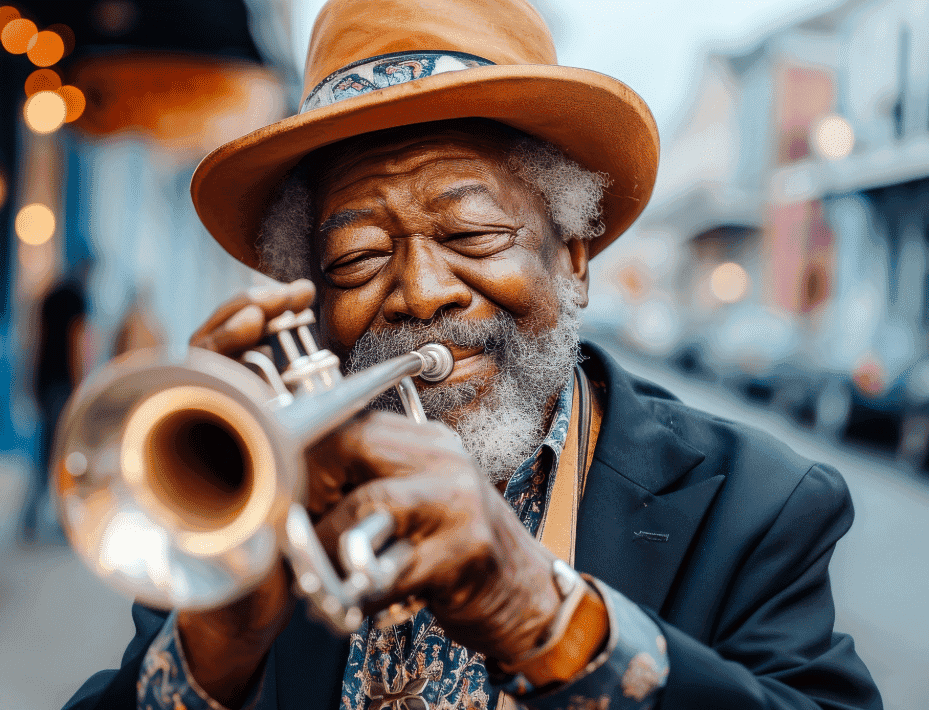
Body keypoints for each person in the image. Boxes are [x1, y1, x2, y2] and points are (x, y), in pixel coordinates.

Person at [64, 1, 882, 708]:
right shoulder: (255, 503)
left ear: (572, 259)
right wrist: (216, 640)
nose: (420, 292)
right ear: (310, 296)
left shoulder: (757, 503)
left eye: (473, 235)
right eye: (354, 259)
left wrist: (538, 613)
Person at [21, 264, 90, 543]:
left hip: (45, 382)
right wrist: (80, 386)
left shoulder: (48, 296)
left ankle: (29, 521)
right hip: (64, 386)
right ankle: (64, 524)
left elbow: (33, 341)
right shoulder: (79, 300)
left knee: (43, 454)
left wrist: (29, 380)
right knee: (64, 454)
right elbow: (77, 344)